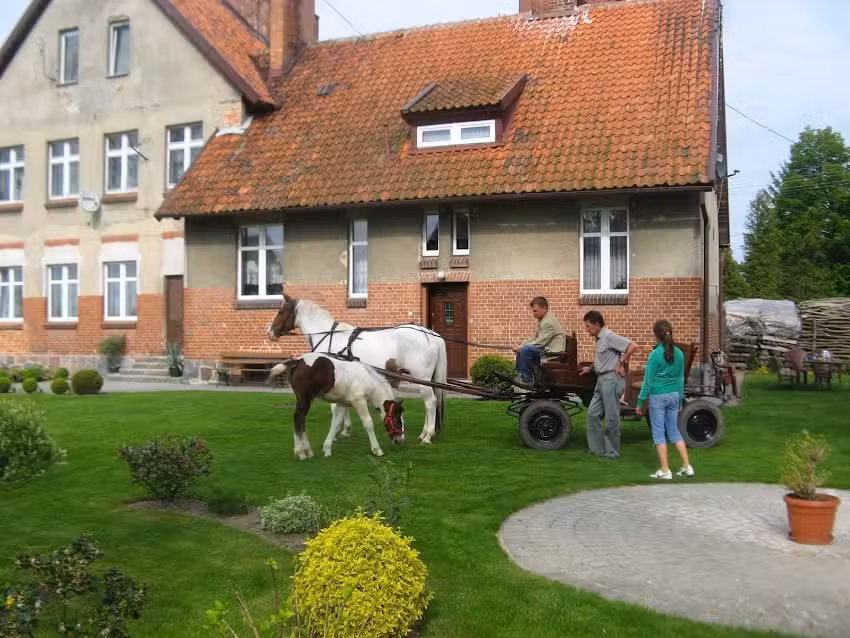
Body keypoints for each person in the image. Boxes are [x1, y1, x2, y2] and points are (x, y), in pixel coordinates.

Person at [635, 319, 694, 479]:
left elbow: (648, 381)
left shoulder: (655, 354)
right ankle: (687, 466)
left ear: (656, 335)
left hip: (658, 397)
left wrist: (640, 402)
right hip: (675, 395)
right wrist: (681, 399)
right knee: (674, 431)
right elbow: (681, 379)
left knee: (659, 433)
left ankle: (665, 470)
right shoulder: (680, 353)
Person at [580, 310, 637, 458]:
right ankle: (596, 450)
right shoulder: (599, 338)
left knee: (612, 417)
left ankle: (612, 452)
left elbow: (632, 346)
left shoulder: (608, 336)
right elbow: (602, 357)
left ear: (597, 324)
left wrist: (620, 363)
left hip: (611, 380)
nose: (586, 329)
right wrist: (590, 368)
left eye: (588, 326)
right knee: (592, 414)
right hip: (601, 380)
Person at [512, 297, 566, 386]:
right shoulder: (543, 320)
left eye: (535, 311)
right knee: (523, 349)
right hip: (546, 348)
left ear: (544, 308)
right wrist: (521, 345)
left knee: (525, 350)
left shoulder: (548, 322)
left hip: (553, 352)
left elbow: (541, 342)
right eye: (533, 311)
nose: (533, 314)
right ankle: (522, 375)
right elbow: (534, 338)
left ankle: (527, 380)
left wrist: (522, 347)